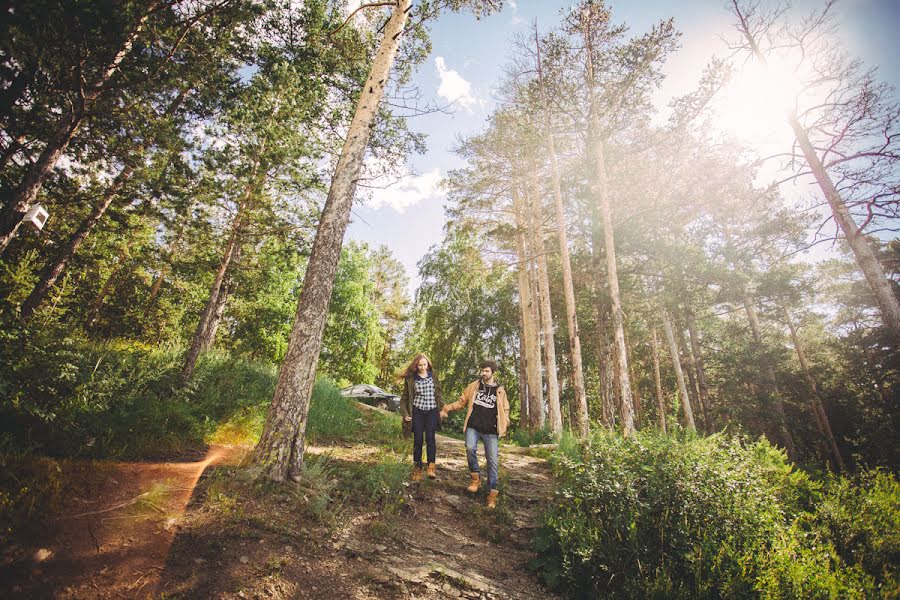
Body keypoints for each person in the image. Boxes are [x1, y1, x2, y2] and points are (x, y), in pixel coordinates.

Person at [440, 360, 509, 509]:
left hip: (491, 431)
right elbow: (461, 401)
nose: (483, 373)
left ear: (493, 373)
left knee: (492, 462)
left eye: (487, 371)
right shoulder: (474, 386)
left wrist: (505, 422)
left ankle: (491, 496)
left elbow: (506, 409)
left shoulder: (500, 390)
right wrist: (447, 408)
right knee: (470, 447)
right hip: (473, 427)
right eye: (482, 371)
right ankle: (475, 478)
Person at [399, 353, 444, 482]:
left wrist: (443, 409)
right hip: (417, 411)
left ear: (428, 364)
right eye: (420, 365)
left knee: (430, 438)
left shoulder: (434, 376)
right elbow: (404, 399)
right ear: (416, 366)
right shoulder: (411, 379)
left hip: (432, 412)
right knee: (418, 440)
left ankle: (431, 467)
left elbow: (439, 395)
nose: (423, 367)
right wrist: (405, 413)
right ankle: (417, 469)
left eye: (425, 364)